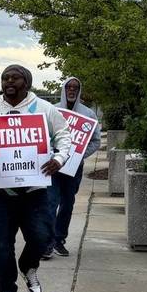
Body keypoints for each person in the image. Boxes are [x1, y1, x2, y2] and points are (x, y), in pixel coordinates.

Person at [0, 65, 72, 292]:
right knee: (3, 243)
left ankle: (28, 266)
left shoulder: (44, 109)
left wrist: (58, 159)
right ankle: (6, 290)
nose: (9, 81)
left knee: (42, 237)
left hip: (35, 190)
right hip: (0, 191)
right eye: (6, 78)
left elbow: (64, 137)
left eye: (15, 78)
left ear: (26, 82)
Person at [44, 77, 101, 258]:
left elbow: (95, 141)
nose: (71, 90)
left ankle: (59, 240)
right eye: (68, 87)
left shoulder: (88, 114)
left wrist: (79, 155)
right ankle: (47, 243)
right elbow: (44, 135)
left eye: (75, 87)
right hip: (53, 166)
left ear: (79, 90)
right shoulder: (52, 110)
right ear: (63, 88)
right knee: (51, 202)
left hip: (73, 168)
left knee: (67, 204)